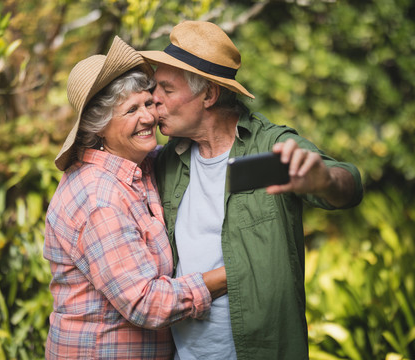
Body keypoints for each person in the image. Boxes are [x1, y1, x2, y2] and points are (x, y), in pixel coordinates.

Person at [140, 21, 364, 359]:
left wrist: (325, 181)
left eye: (167, 89)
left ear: (209, 95)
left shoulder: (271, 145)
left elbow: (349, 182)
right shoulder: (166, 161)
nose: (152, 99)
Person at [43, 35, 227, 359]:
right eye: (130, 110)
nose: (148, 118)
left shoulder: (139, 166)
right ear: (99, 126)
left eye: (147, 103)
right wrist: (232, 274)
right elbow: (145, 303)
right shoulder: (100, 199)